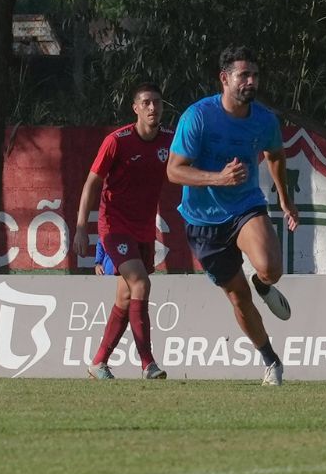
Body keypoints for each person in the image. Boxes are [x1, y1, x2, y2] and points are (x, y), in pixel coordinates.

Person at [166, 46, 297, 386]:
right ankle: (271, 361)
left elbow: (276, 155)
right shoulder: (198, 117)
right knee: (238, 297)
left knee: (271, 268)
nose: (251, 81)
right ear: (224, 79)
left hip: (244, 205)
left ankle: (263, 283)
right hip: (202, 221)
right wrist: (217, 178)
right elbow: (174, 171)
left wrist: (285, 200)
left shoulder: (264, 119)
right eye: (244, 75)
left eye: (255, 75)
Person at [73, 83, 174, 380]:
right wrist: (81, 227)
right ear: (135, 108)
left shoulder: (170, 139)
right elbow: (92, 182)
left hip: (143, 228)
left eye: (157, 102)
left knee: (126, 298)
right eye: (146, 103)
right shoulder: (117, 141)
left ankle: (98, 363)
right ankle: (148, 364)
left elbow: (186, 164)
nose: (153, 108)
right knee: (140, 283)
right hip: (114, 226)